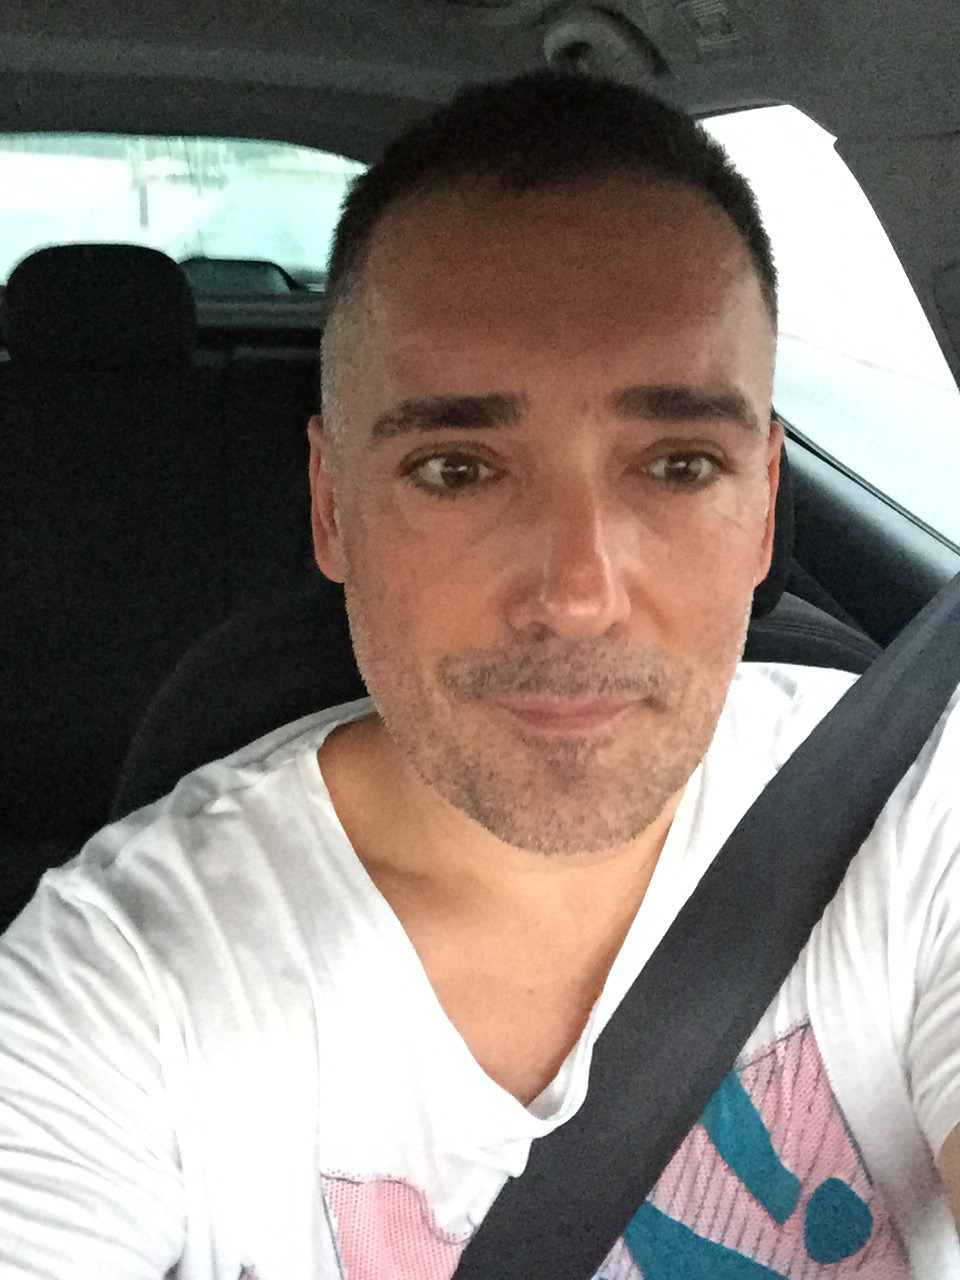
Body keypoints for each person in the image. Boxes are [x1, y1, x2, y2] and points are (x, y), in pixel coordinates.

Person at [1, 71, 958, 1280]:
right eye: (457, 470)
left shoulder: (919, 800)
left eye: (676, 464)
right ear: (331, 507)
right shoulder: (123, 977)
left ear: (766, 505)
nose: (577, 592)